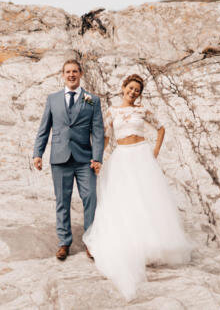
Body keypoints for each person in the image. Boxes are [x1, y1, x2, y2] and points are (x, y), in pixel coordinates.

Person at [82, 74, 192, 300]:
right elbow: (104, 137)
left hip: (141, 154)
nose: (133, 93)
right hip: (122, 156)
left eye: (137, 90)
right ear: (123, 88)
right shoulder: (112, 111)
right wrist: (98, 159)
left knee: (148, 198)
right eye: (130, 88)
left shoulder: (143, 111)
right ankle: (128, 243)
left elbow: (161, 128)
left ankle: (151, 245)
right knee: (124, 200)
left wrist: (155, 151)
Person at [33, 59, 106, 261]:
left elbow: (98, 131)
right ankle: (64, 242)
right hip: (60, 157)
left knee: (90, 197)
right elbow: (44, 128)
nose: (71, 75)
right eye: (68, 72)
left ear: (81, 73)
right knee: (62, 201)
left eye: (75, 71)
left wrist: (97, 157)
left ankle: (91, 242)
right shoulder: (53, 99)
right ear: (63, 75)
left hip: (85, 159)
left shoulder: (92, 99)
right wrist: (37, 154)